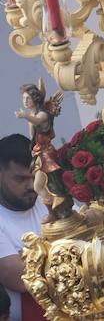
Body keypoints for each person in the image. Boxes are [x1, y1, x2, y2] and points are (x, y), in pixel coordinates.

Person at [0, 133, 41, 319]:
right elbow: (18, 278)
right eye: (20, 179)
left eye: (34, 176)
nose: (31, 185)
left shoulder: (50, 199)